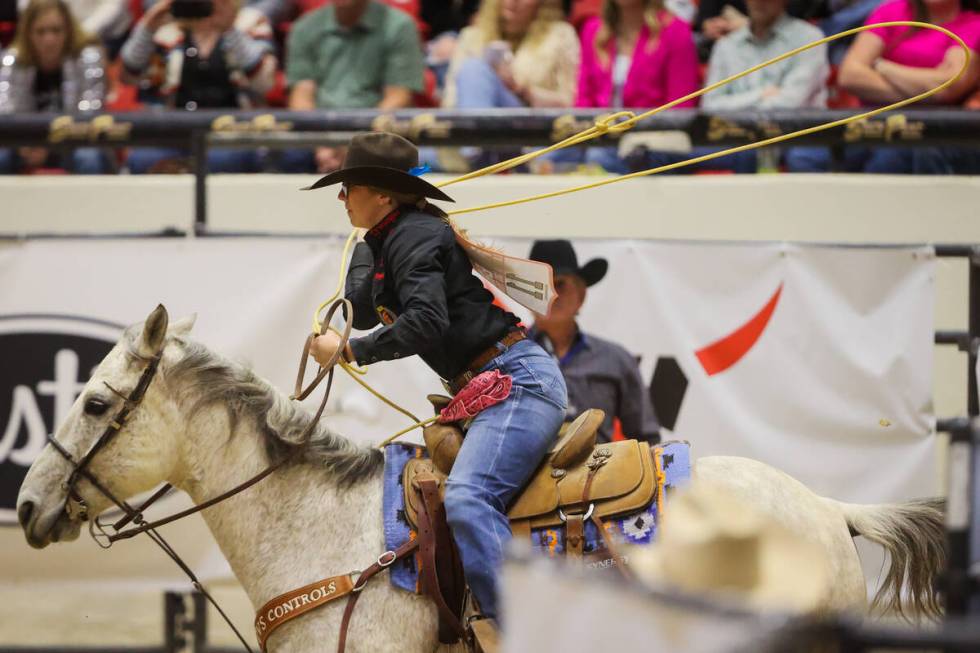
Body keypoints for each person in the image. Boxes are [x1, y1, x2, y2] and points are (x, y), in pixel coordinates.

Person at [306, 132, 568, 620]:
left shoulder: (415, 234)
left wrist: (348, 352)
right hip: (496, 381)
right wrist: (366, 251)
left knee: (468, 499)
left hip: (514, 382)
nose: (341, 198)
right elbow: (361, 311)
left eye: (350, 187)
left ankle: (517, 633)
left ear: (382, 193)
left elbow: (425, 322)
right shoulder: (397, 237)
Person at [788, 0, 980, 173]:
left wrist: (882, 66)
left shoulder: (973, 23)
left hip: (926, 129)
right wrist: (926, 86)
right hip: (870, 120)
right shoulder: (893, 11)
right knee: (804, 157)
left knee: (889, 160)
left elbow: (947, 87)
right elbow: (849, 75)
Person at [119, 0, 277, 173]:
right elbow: (129, 75)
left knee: (224, 159)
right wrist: (147, 27)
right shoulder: (165, 25)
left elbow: (264, 82)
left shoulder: (250, 21)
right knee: (142, 159)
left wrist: (230, 30)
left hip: (234, 128)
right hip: (173, 129)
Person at [529, 239, 660, 444]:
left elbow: (647, 440)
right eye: (541, 285)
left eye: (560, 284)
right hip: (521, 474)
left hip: (598, 473)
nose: (551, 293)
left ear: (581, 294)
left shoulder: (616, 360)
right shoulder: (505, 357)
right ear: (525, 296)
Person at [550, 0, 699, 174]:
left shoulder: (676, 31)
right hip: (599, 135)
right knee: (543, 157)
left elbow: (681, 110)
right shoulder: (593, 30)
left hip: (650, 139)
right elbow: (584, 101)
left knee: (598, 157)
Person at [281, 0, 425, 173]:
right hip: (319, 135)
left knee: (398, 155)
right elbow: (301, 96)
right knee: (282, 155)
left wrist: (356, 147)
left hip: (378, 133)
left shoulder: (400, 26)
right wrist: (321, 144)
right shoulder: (304, 27)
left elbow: (399, 97)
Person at [701, 0, 829, 172]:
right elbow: (709, 105)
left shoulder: (810, 38)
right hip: (738, 136)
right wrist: (761, 94)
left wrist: (735, 105)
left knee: (803, 156)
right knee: (666, 154)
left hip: (797, 135)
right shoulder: (726, 45)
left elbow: (791, 103)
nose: (760, 2)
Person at [0, 0, 108, 174]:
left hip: (74, 142)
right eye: (40, 32)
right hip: (26, 144)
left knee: (89, 157)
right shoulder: (13, 61)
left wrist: (48, 147)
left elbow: (90, 115)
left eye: (56, 30)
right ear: (28, 34)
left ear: (69, 31)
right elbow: (6, 112)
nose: (49, 39)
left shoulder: (88, 58)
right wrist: (25, 145)